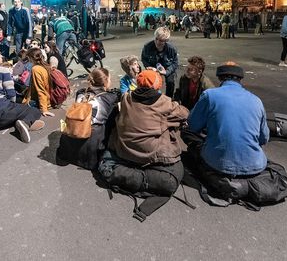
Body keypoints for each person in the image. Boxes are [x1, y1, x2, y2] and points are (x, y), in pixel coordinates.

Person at [98, 70, 189, 203]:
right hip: (149, 155)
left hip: (123, 152)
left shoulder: (126, 98)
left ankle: (122, 174)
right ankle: (145, 178)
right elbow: (184, 113)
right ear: (158, 85)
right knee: (177, 171)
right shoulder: (164, 103)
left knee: (106, 160)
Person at [184, 62, 270, 195]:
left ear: (220, 78)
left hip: (218, 164)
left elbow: (193, 126)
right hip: (255, 165)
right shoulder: (256, 100)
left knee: (189, 136)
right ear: (240, 79)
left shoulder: (210, 95)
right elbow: (264, 138)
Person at [58, 68, 119, 169]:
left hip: (69, 140)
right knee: (112, 119)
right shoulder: (109, 98)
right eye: (109, 79)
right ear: (105, 81)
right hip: (91, 148)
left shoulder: (80, 93)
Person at [141, 27, 178, 97]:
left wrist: (166, 72)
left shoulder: (171, 49)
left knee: (170, 82)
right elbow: (144, 59)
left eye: (161, 40)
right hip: (153, 67)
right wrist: (150, 68)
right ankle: (151, 97)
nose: (157, 42)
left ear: (166, 41)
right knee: (149, 81)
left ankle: (168, 99)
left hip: (167, 68)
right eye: (156, 39)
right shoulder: (147, 46)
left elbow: (175, 63)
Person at [22, 47, 56, 117]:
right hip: (48, 98)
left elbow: (41, 90)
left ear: (30, 58)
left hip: (40, 102)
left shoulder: (36, 69)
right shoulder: (46, 66)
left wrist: (44, 110)